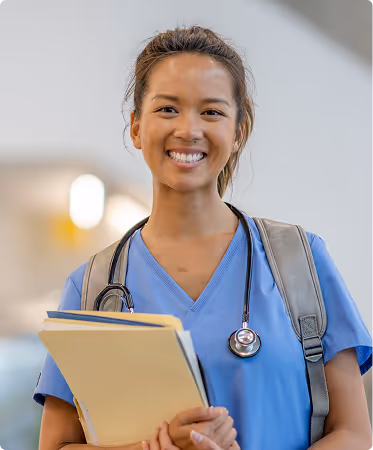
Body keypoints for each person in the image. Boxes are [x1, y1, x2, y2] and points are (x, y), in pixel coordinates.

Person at [34, 26, 373, 450]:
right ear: (137, 127)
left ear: (238, 132)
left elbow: (356, 434)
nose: (189, 130)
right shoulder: (92, 286)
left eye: (211, 112)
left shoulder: (300, 261)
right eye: (168, 109)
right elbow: (57, 445)